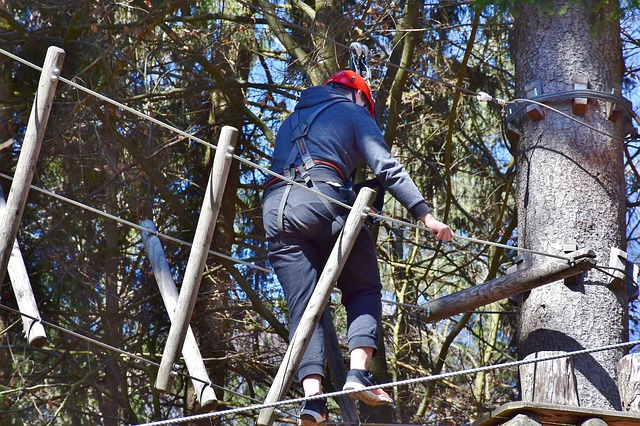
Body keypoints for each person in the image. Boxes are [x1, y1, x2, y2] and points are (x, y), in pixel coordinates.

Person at [262, 70, 454, 425]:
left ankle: (313, 402)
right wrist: (425, 216)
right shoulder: (354, 113)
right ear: (360, 97)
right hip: (322, 199)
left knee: (304, 306)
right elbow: (386, 167)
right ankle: (358, 375)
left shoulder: (289, 122)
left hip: (275, 211)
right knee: (363, 287)